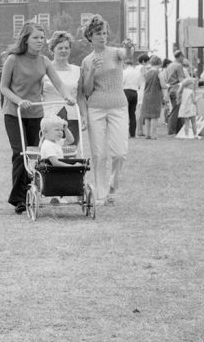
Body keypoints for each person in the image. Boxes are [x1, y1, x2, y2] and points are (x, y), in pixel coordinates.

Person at [0, 23, 75, 213]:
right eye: (36, 37)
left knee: (34, 155)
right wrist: (19, 101)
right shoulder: (13, 59)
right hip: (14, 112)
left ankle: (28, 193)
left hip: (35, 113)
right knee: (20, 153)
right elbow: (4, 88)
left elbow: (59, 83)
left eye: (42, 37)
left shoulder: (44, 61)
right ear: (26, 39)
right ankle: (18, 198)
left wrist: (67, 96)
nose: (40, 41)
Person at [79, 15, 128, 205]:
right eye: (99, 33)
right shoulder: (86, 60)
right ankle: (100, 194)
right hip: (96, 108)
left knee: (120, 153)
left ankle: (112, 185)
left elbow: (127, 54)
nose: (103, 36)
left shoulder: (116, 53)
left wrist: (129, 47)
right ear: (90, 36)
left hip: (118, 106)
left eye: (105, 33)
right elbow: (87, 90)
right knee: (99, 154)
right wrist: (91, 70)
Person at [40, 31, 82, 145]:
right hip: (49, 117)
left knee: (70, 151)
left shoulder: (77, 70)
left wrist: (84, 116)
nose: (64, 51)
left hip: (72, 117)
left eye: (67, 48)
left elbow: (81, 96)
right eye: (60, 48)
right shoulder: (44, 69)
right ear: (53, 49)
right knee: (50, 152)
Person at [139, 56, 164, 140]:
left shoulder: (147, 72)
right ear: (159, 63)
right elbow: (163, 85)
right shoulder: (158, 73)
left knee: (147, 115)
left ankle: (148, 134)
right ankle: (153, 135)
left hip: (146, 94)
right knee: (154, 116)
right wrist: (167, 85)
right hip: (155, 95)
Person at [121, 59, 142, 138]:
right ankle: (132, 133)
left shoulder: (124, 72)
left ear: (125, 64)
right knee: (132, 114)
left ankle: (124, 133)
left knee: (124, 113)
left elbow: (121, 82)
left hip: (126, 91)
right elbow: (139, 84)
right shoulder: (137, 72)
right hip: (134, 92)